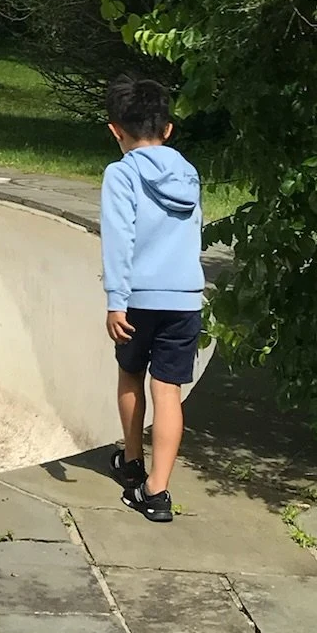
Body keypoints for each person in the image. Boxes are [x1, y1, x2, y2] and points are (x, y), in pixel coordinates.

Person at [100, 72, 205, 523]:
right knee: (169, 393)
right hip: (184, 299)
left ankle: (131, 462)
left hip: (139, 298)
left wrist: (115, 300)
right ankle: (157, 493)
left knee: (130, 376)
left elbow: (118, 239)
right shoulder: (188, 172)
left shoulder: (120, 174)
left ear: (114, 130)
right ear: (168, 129)